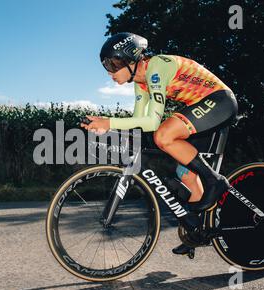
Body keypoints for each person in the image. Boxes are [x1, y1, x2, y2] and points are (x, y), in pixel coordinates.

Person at [81, 32, 238, 255]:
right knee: (186, 174)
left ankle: (216, 181)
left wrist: (109, 122)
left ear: (131, 60)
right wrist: (106, 126)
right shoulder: (140, 82)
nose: (110, 72)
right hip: (201, 108)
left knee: (164, 135)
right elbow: (139, 122)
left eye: (114, 64)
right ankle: (196, 232)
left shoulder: (156, 67)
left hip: (220, 100)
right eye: (107, 65)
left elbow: (153, 121)